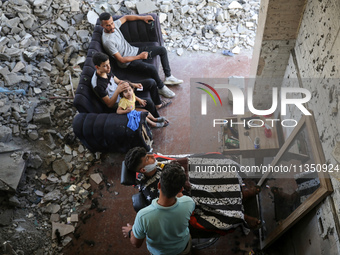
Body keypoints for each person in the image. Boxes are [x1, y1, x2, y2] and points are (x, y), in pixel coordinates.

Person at [124, 147, 262, 232]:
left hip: (187, 176)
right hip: (186, 196)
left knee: (216, 165)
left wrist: (186, 169)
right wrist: (186, 184)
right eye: (148, 158)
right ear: (142, 170)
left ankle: (241, 192)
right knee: (212, 200)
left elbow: (177, 161)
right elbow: (173, 203)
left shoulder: (155, 160)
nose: (152, 156)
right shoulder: (152, 191)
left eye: (149, 154)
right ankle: (241, 215)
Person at [99, 12, 183, 98]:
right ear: (102, 26)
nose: (112, 27)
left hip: (135, 50)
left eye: (112, 23)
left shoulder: (114, 25)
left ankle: (168, 77)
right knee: (152, 68)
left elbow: (126, 17)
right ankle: (161, 88)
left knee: (162, 50)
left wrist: (143, 18)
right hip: (128, 63)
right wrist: (139, 57)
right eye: (108, 25)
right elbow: (121, 59)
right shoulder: (108, 41)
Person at [122, 163, 195, 255]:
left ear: (159, 185)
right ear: (181, 189)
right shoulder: (188, 202)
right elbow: (181, 199)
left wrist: (131, 231)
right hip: (183, 248)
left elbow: (136, 244)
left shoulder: (143, 216)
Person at [92, 52, 170, 116]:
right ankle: (157, 119)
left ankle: (158, 105)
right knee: (148, 102)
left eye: (109, 64)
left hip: (123, 90)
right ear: (97, 67)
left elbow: (119, 81)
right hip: (120, 101)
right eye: (105, 66)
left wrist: (133, 84)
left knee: (151, 82)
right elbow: (109, 105)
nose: (109, 67)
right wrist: (118, 91)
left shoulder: (107, 71)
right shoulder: (98, 85)